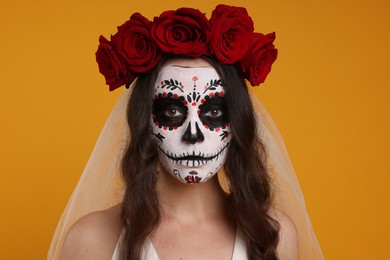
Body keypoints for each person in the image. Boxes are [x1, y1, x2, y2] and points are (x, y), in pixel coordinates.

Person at [48, 5, 324, 260]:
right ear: (145, 120)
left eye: (214, 112)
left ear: (237, 122)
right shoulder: (90, 239)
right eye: (172, 112)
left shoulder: (273, 234)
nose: (193, 134)